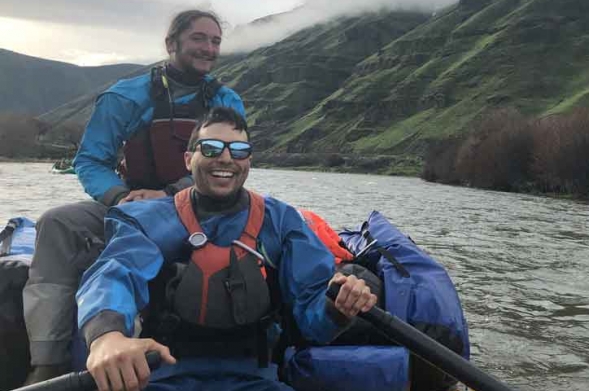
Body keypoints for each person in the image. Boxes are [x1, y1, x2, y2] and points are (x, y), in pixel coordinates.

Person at [76, 107, 376, 391]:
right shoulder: (146, 220)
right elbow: (114, 274)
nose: (226, 158)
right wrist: (107, 336)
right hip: (163, 376)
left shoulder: (282, 222)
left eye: (239, 151)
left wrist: (336, 308)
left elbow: (314, 318)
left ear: (248, 161)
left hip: (255, 381)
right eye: (211, 148)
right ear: (188, 159)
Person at [23, 9, 245, 383]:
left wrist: (167, 194)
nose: (209, 48)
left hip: (201, 206)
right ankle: (47, 362)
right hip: (130, 204)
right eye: (199, 39)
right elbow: (91, 159)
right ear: (171, 44)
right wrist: (119, 197)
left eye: (215, 41)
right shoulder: (125, 96)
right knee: (57, 222)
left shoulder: (227, 101)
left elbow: (231, 164)